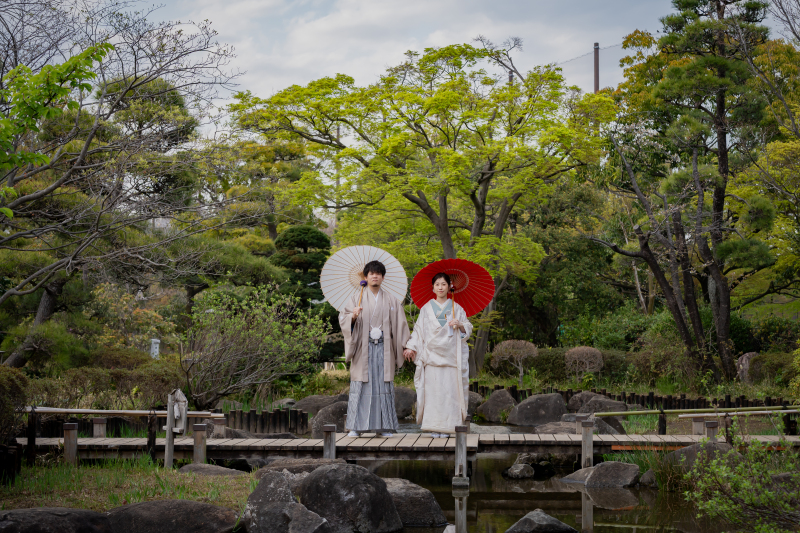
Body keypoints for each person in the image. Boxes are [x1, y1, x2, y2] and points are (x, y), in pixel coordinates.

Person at [339, 260, 410, 437]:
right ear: (365, 277)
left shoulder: (392, 300)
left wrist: (407, 346)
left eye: (378, 273)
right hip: (363, 347)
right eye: (371, 273)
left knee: (382, 385)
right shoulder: (356, 298)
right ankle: (355, 426)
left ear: (383, 277)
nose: (375, 276)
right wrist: (353, 317)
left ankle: (384, 427)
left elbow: (401, 325)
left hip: (384, 349)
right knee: (361, 384)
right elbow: (344, 319)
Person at [403, 272, 472, 437]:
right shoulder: (426, 308)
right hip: (432, 357)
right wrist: (411, 347)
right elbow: (419, 331)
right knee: (434, 395)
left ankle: (450, 427)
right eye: (437, 284)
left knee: (450, 394)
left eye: (443, 284)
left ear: (449, 287)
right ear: (433, 287)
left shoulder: (457, 308)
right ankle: (434, 427)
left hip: (451, 358)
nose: (440, 287)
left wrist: (460, 324)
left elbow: (468, 328)